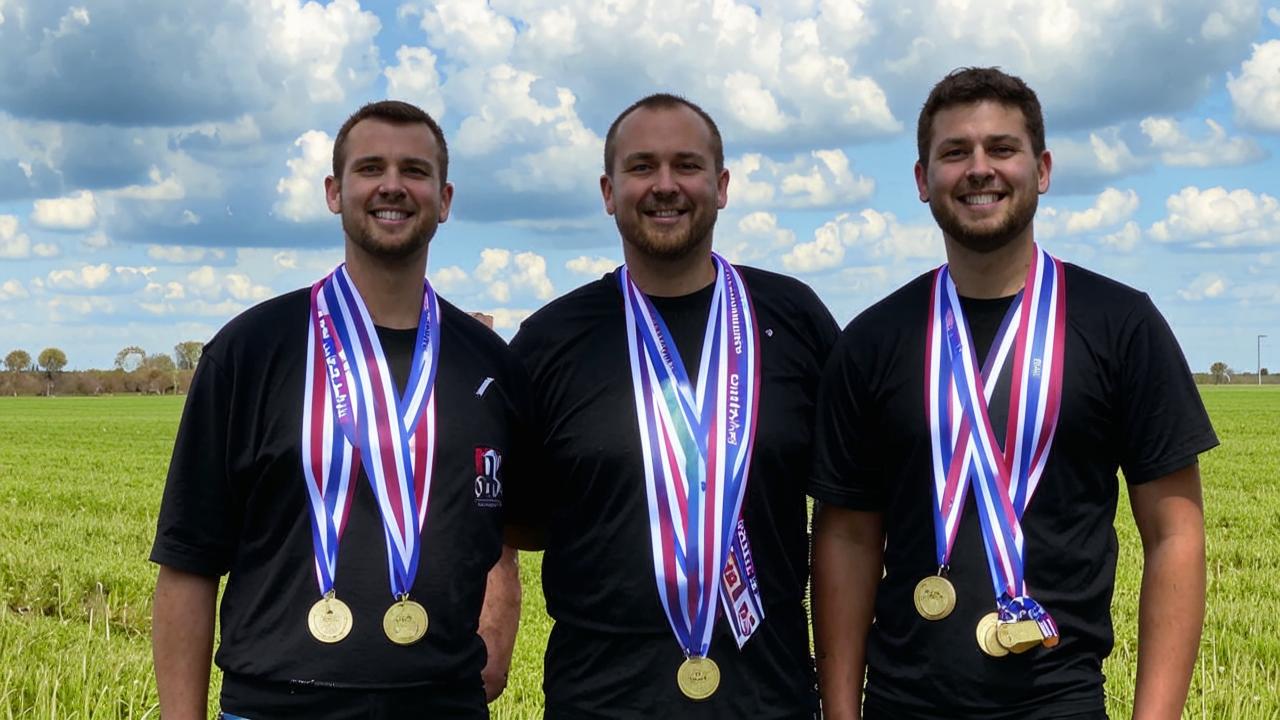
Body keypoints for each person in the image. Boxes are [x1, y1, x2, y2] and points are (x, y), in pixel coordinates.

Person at [809, 67, 1218, 719]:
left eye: (1002, 148)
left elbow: (1174, 532)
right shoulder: (872, 341)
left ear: (1043, 168)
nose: (979, 169)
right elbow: (848, 539)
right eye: (954, 152)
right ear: (921, 180)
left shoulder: (1122, 326)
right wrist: (839, 712)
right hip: (903, 702)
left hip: (1060, 700)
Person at [150, 100, 532, 720]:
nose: (392, 186)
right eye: (369, 168)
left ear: (445, 197)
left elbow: (507, 534)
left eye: (414, 170)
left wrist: (494, 644)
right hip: (275, 707)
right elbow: (188, 563)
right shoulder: (249, 351)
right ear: (334, 191)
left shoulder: (491, 364)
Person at [510, 93, 838, 719]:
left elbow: (851, 507)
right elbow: (517, 521)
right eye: (641, 167)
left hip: (770, 700)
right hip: (600, 702)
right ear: (609, 191)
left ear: (721, 185)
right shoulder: (550, 342)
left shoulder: (794, 319)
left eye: (686, 165)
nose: (665, 185)